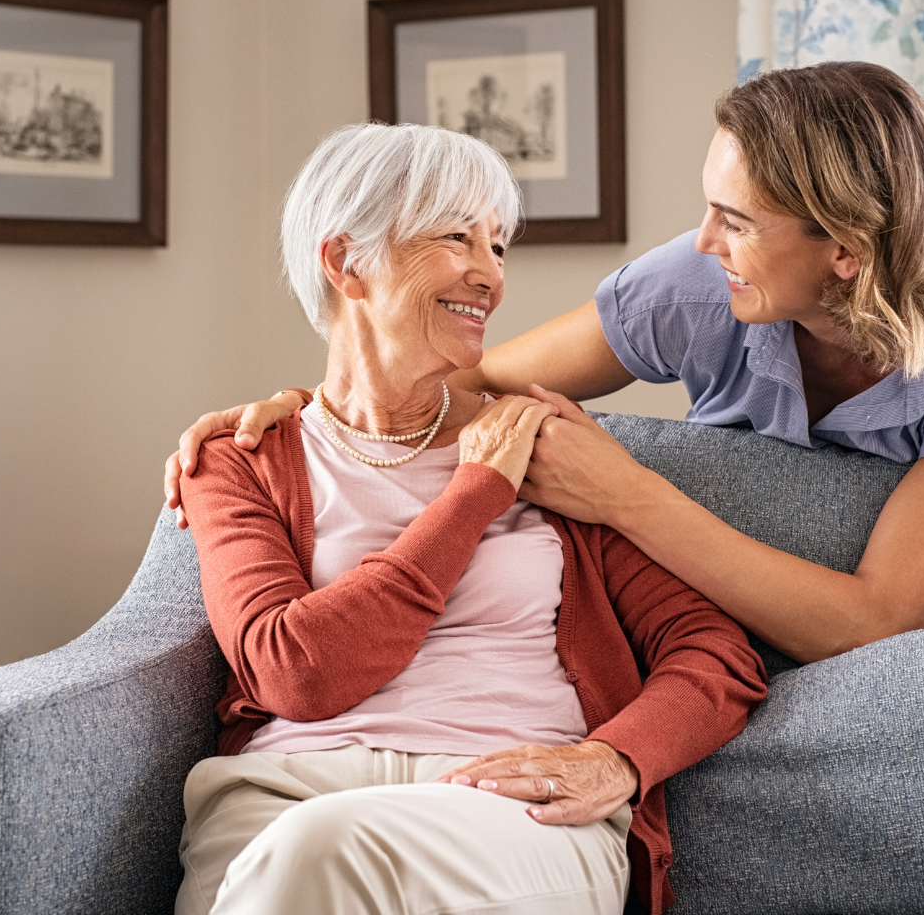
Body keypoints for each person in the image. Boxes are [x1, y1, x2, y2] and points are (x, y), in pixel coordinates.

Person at [168, 61, 924, 665]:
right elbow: (464, 383)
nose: (702, 239)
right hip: (693, 636)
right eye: (708, 206)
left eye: (738, 221)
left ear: (845, 250)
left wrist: (624, 493)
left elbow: (881, 622)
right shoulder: (695, 286)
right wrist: (308, 409)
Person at [177, 123, 766, 915]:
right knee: (302, 850)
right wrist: (473, 495)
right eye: (459, 237)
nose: (489, 276)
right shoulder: (242, 457)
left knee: (316, 855)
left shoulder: (546, 448)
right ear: (344, 262)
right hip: (280, 795)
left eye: (499, 247)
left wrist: (617, 761)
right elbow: (295, 672)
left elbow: (715, 653)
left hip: (505, 800)